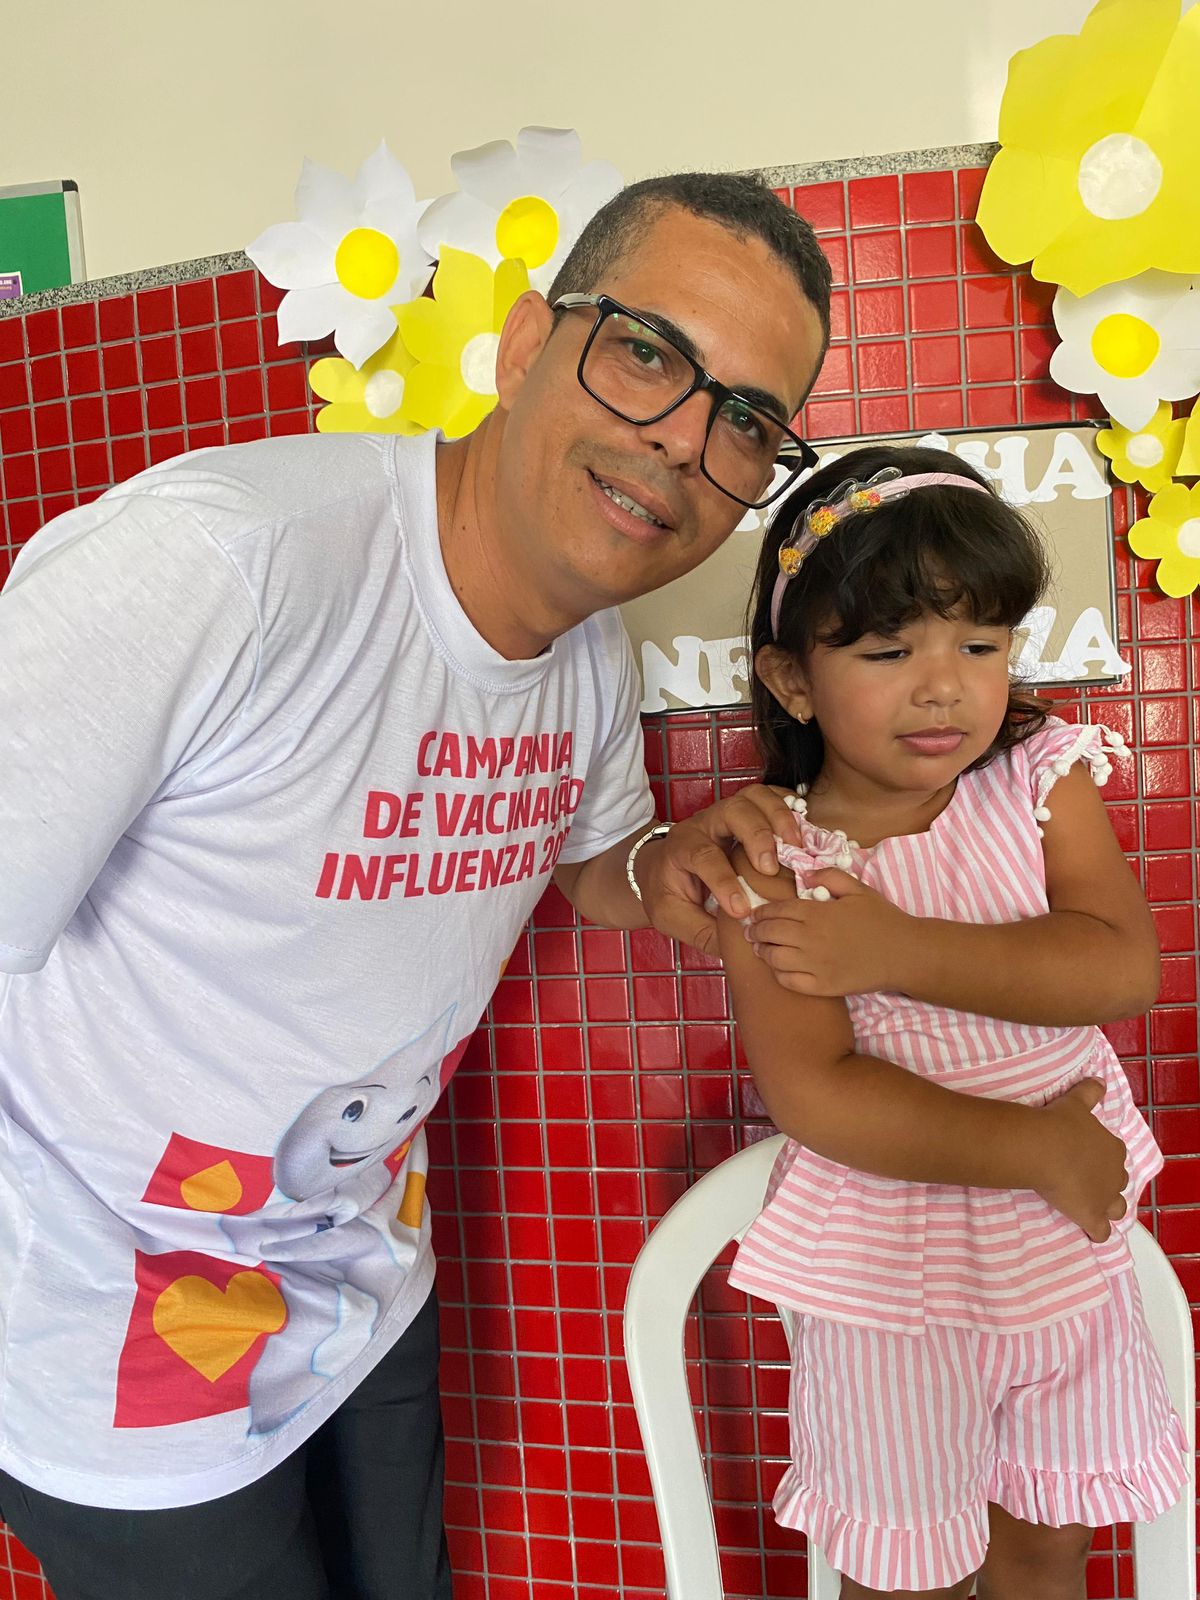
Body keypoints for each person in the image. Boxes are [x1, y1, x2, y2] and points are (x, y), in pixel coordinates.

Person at [0, 173, 829, 1600]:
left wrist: (664, 866)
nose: (685, 443)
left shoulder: (587, 652)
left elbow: (589, 860)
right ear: (526, 343)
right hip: (110, 1340)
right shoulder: (219, 566)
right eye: (648, 352)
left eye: (748, 420)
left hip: (360, 1295)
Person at [717, 443, 1189, 1600]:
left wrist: (897, 950)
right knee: (907, 1568)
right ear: (791, 678)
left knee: (1048, 1542)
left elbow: (1120, 965)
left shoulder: (1036, 780)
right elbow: (815, 1092)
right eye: (889, 651)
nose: (944, 687)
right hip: (893, 1284)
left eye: (980, 644)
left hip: (1063, 1254)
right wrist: (1033, 1146)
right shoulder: (775, 857)